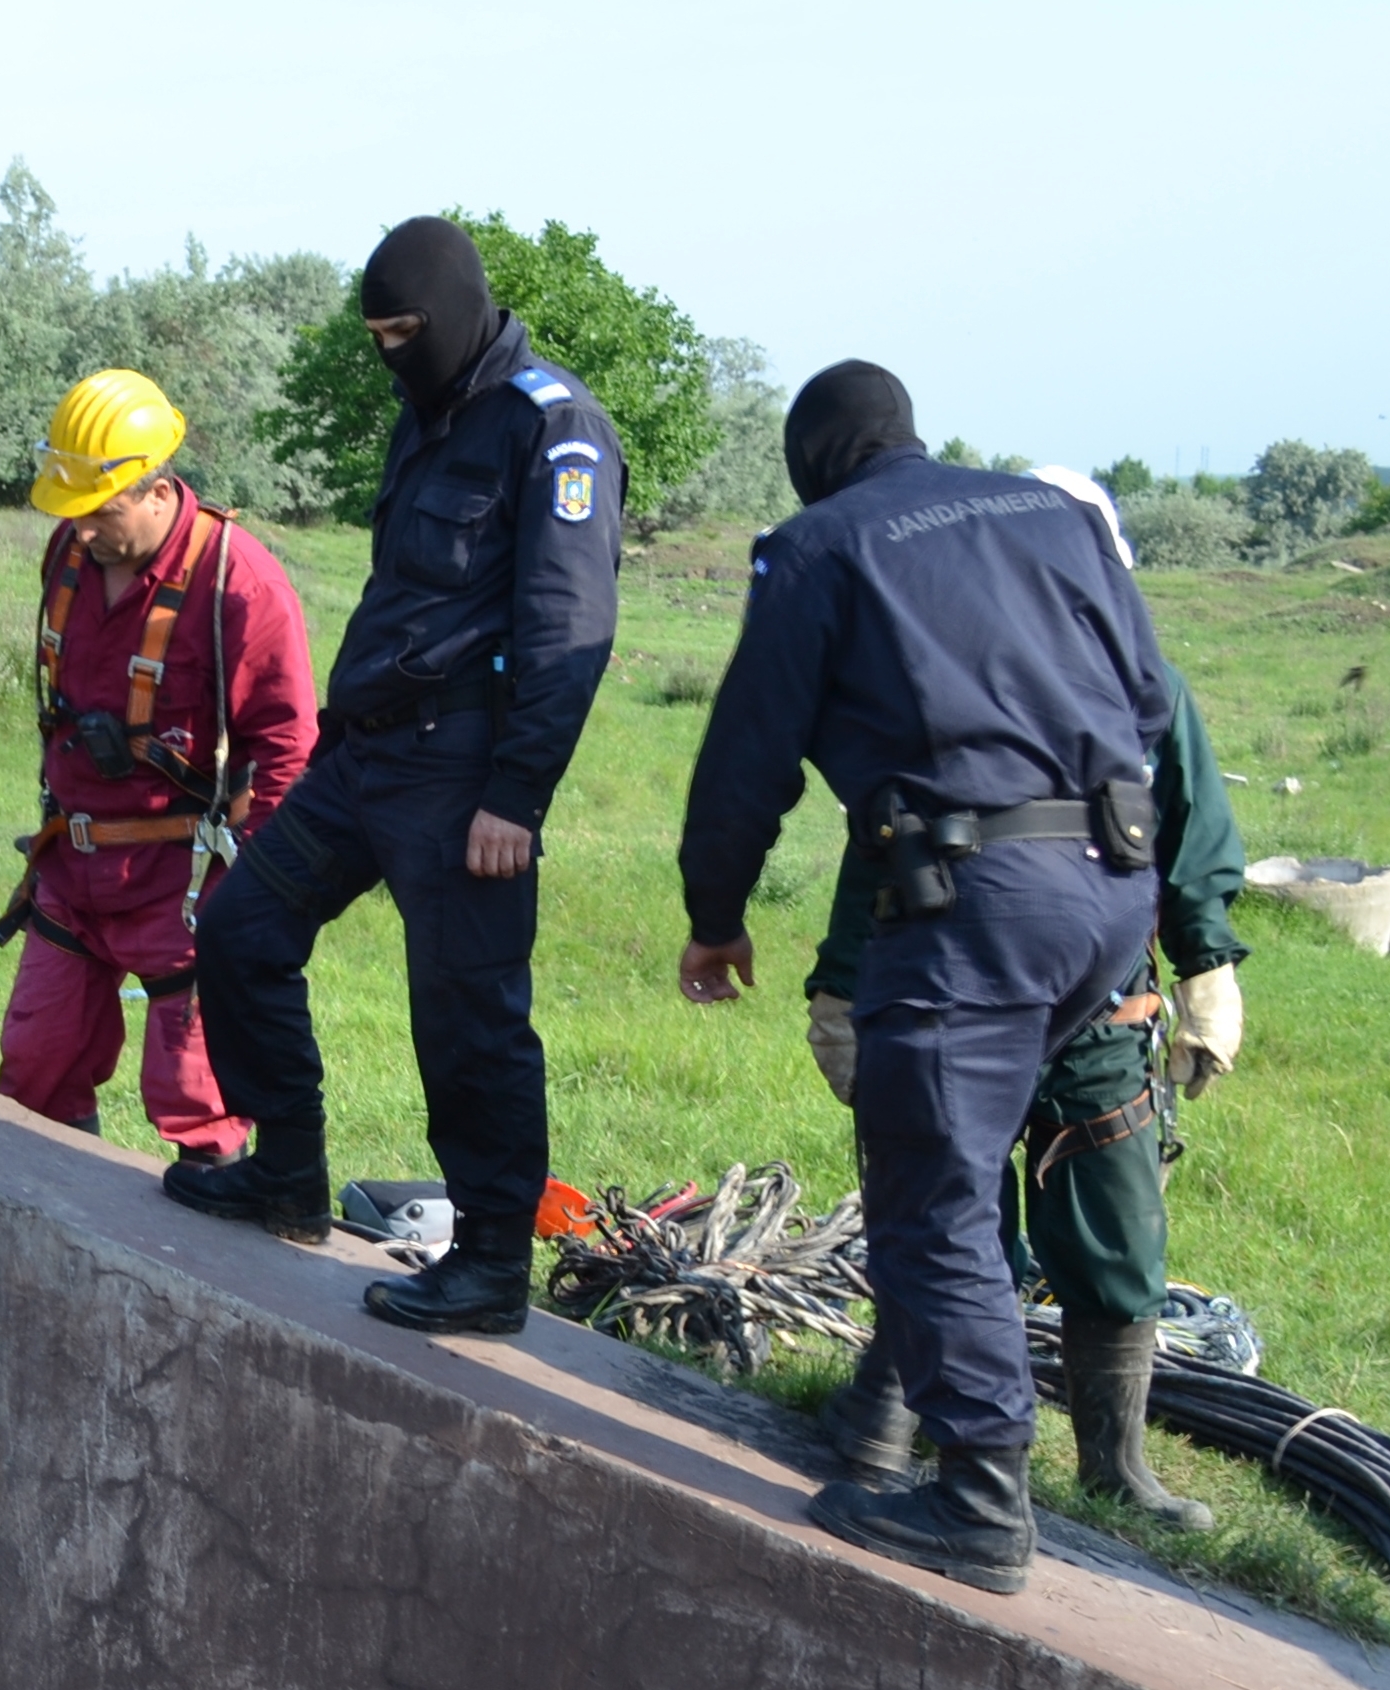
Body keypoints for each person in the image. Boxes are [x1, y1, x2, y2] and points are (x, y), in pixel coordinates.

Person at [674, 362, 1172, 1595]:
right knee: (958, 1156)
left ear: (814, 462)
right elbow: (1152, 700)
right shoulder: (1053, 514)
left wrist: (716, 917)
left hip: (974, 901)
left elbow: (750, 757)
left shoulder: (820, 545)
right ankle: (883, 1419)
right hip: (1115, 884)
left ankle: (982, 1497)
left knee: (933, 1192)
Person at [166, 215, 623, 1336]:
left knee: (466, 1016)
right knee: (241, 933)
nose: (389, 354)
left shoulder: (550, 426)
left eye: (406, 331)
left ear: (459, 312)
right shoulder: (426, 414)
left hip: (465, 770)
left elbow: (569, 626)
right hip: (363, 756)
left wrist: (516, 794)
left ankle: (492, 1262)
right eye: (374, 335)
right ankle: (288, 1171)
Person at [802, 465, 1254, 1529]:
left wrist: (1208, 973)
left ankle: (1116, 1468)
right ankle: (888, 1423)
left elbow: (1190, 841)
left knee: (1117, 1237)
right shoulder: (937, 682)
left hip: (1104, 1019)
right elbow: (879, 844)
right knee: (940, 1220)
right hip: (950, 996)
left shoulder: (1157, 693)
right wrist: (840, 985)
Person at [0, 367, 317, 1162]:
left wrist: (259, 900)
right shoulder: (69, 555)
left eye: (99, 513)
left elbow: (286, 749)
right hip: (71, 867)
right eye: (70, 514)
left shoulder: (240, 584)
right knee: (34, 1074)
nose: (83, 532)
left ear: (156, 488)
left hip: (187, 884)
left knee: (200, 1103)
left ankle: (216, 1257)